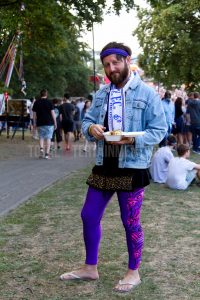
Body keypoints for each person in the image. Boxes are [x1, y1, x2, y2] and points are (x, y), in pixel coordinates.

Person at [59, 42, 167, 293]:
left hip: (131, 166)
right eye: (107, 64)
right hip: (104, 164)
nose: (111, 68)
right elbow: (86, 121)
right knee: (88, 215)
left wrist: (133, 138)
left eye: (116, 62)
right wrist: (90, 128)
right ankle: (90, 268)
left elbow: (160, 130)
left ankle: (133, 272)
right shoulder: (101, 94)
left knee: (130, 222)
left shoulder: (147, 94)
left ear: (127, 61)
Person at [32, 89, 57, 159]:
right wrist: (55, 123)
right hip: (49, 123)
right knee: (48, 138)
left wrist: (34, 123)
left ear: (40, 95)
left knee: (41, 137)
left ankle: (41, 149)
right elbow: (53, 113)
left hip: (40, 122)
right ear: (46, 94)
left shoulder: (36, 102)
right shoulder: (50, 102)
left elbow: (34, 114)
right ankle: (47, 154)